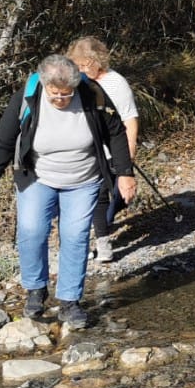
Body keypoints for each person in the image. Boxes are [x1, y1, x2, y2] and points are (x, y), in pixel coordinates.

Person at [0, 54, 136, 329]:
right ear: (44, 85)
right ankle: (36, 290)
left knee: (75, 235)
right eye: (55, 94)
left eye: (66, 95)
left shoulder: (91, 92)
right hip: (38, 177)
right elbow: (3, 141)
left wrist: (125, 174)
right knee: (32, 229)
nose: (61, 100)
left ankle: (70, 302)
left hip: (83, 179)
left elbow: (115, 132)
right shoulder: (28, 96)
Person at [68, 35, 138, 264]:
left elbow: (129, 120)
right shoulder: (74, 83)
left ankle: (103, 240)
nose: (81, 69)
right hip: (84, 152)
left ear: (98, 60)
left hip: (111, 151)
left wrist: (128, 155)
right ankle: (89, 242)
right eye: (77, 65)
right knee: (89, 198)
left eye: (85, 64)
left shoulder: (116, 83)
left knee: (103, 199)